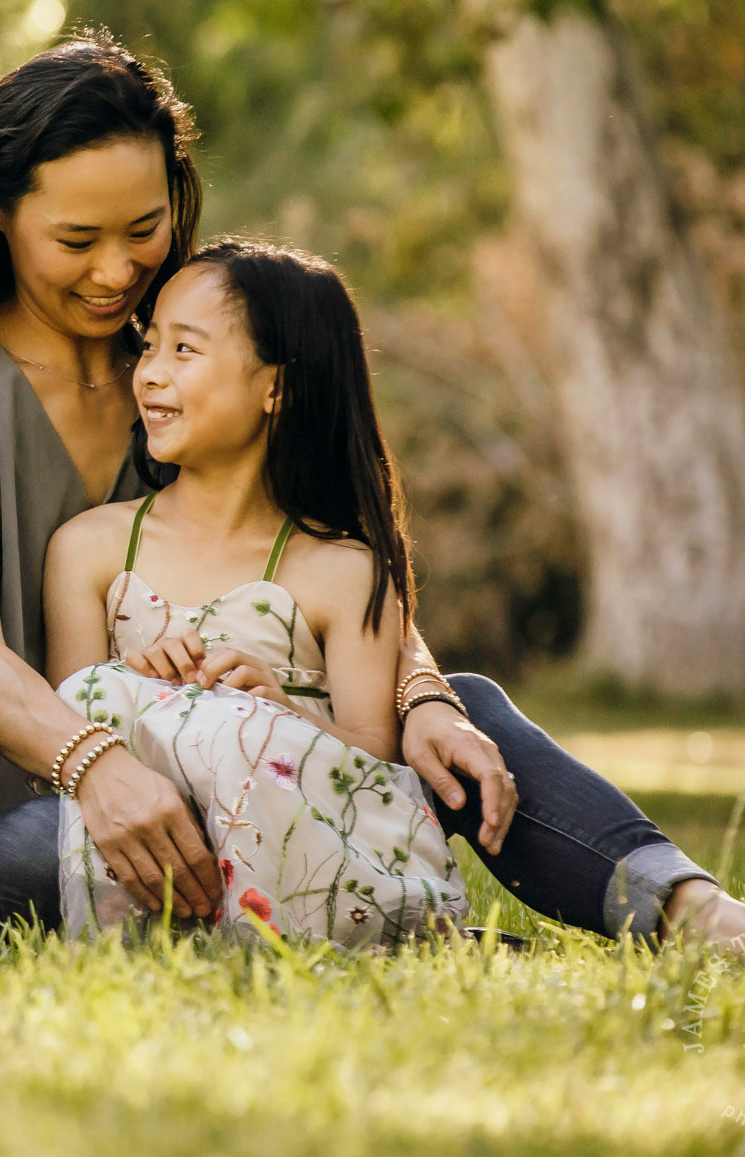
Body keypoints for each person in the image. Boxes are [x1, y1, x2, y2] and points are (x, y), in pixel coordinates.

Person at [0, 29, 745, 956]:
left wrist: (419, 697)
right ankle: (417, 931)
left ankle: (690, 914)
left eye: (144, 229)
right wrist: (98, 768)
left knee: (464, 710)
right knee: (45, 856)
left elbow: (327, 553)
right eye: (76, 242)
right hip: (38, 812)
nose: (118, 270)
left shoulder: (183, 369)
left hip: (226, 766)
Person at [46, 239, 465, 947]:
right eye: (150, 346)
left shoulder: (343, 571)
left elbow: (375, 769)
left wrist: (274, 709)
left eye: (185, 350)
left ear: (277, 386)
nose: (149, 372)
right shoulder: (90, 550)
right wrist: (136, 680)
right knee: (98, 691)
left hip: (306, 861)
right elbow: (68, 735)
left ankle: (265, 941)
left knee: (238, 728)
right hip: (145, 853)